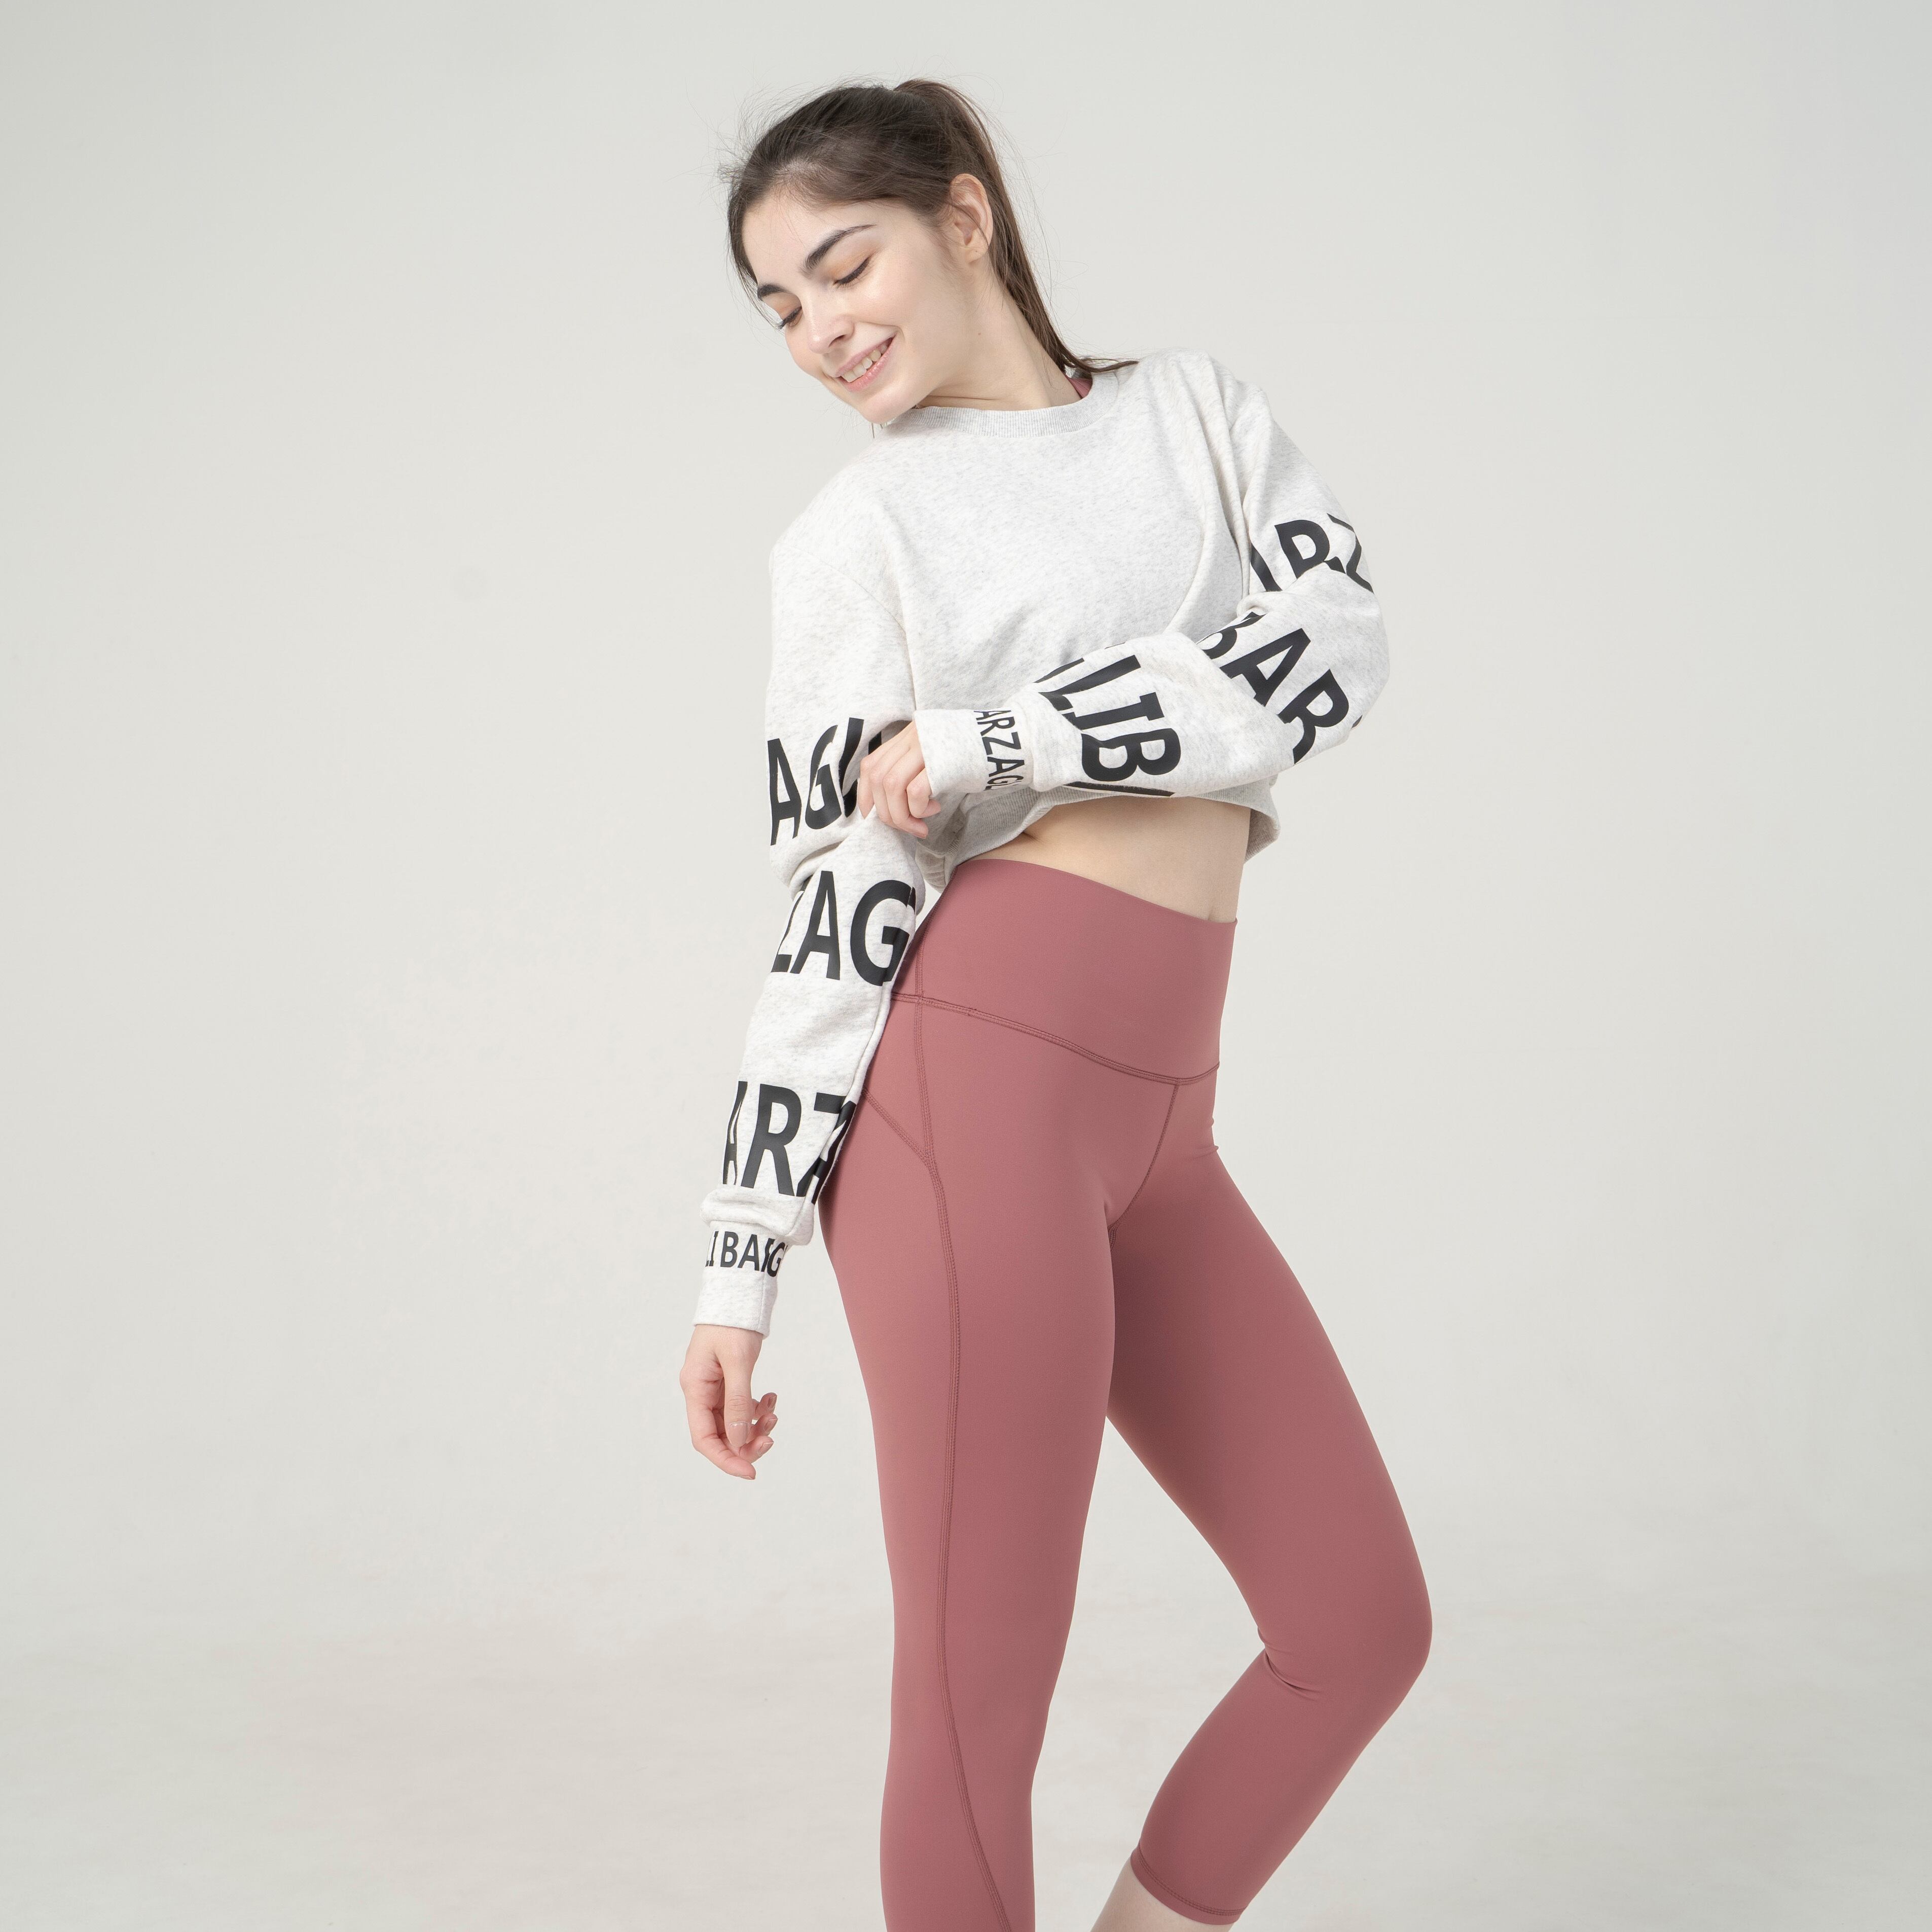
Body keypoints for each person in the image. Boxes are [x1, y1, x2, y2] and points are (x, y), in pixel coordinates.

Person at [678, 77, 1431, 1932]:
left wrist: (1006, 736)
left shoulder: (1196, 414)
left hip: (1168, 1125)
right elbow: (835, 908)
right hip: (967, 1107)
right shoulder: (857, 534)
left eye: (841, 264)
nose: (818, 328)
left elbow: (1332, 650)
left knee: (1356, 1621)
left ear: (963, 216)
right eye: (778, 306)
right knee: (977, 1687)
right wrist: (738, 1257)